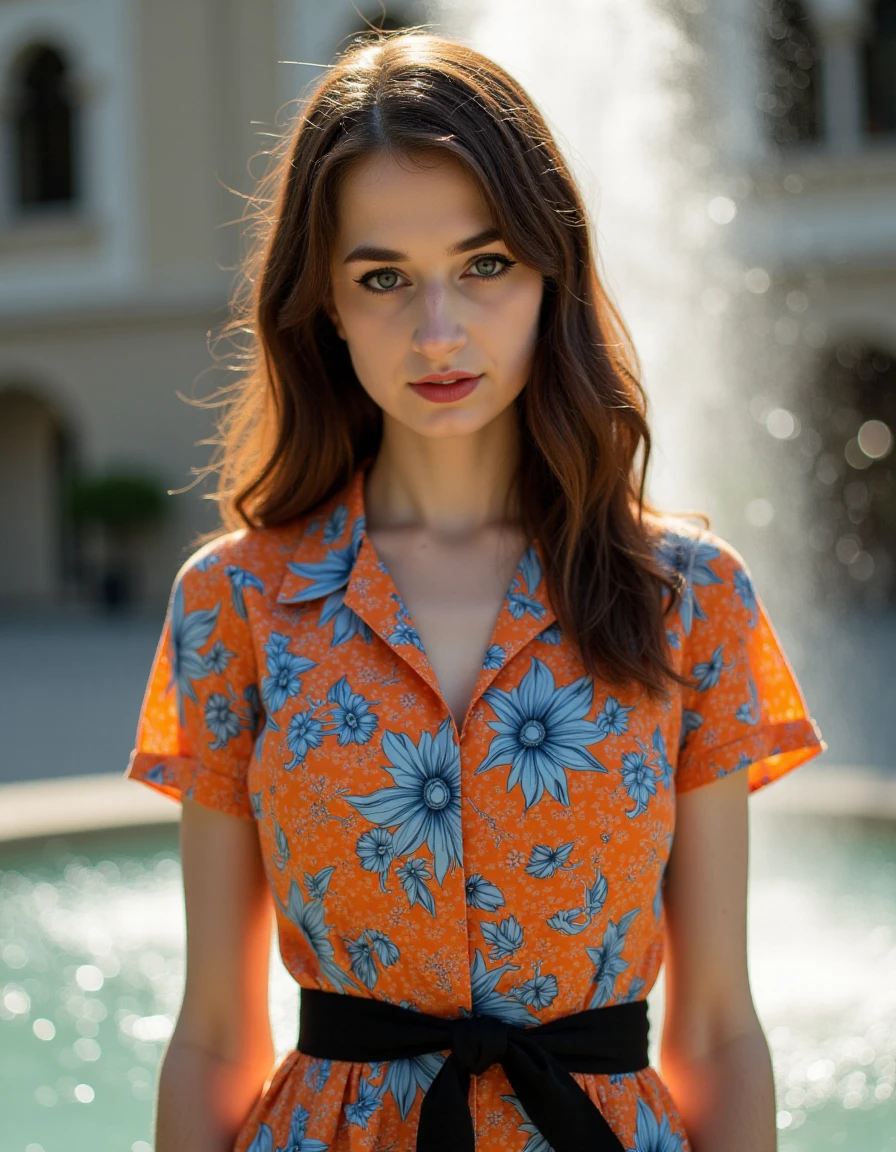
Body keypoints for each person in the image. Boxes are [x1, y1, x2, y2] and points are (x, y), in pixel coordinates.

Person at [125, 30, 825, 1152]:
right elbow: (213, 1032)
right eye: (383, 278)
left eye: (485, 263)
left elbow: (716, 1029)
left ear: (551, 273)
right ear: (325, 308)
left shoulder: (692, 598)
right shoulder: (234, 604)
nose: (437, 331)